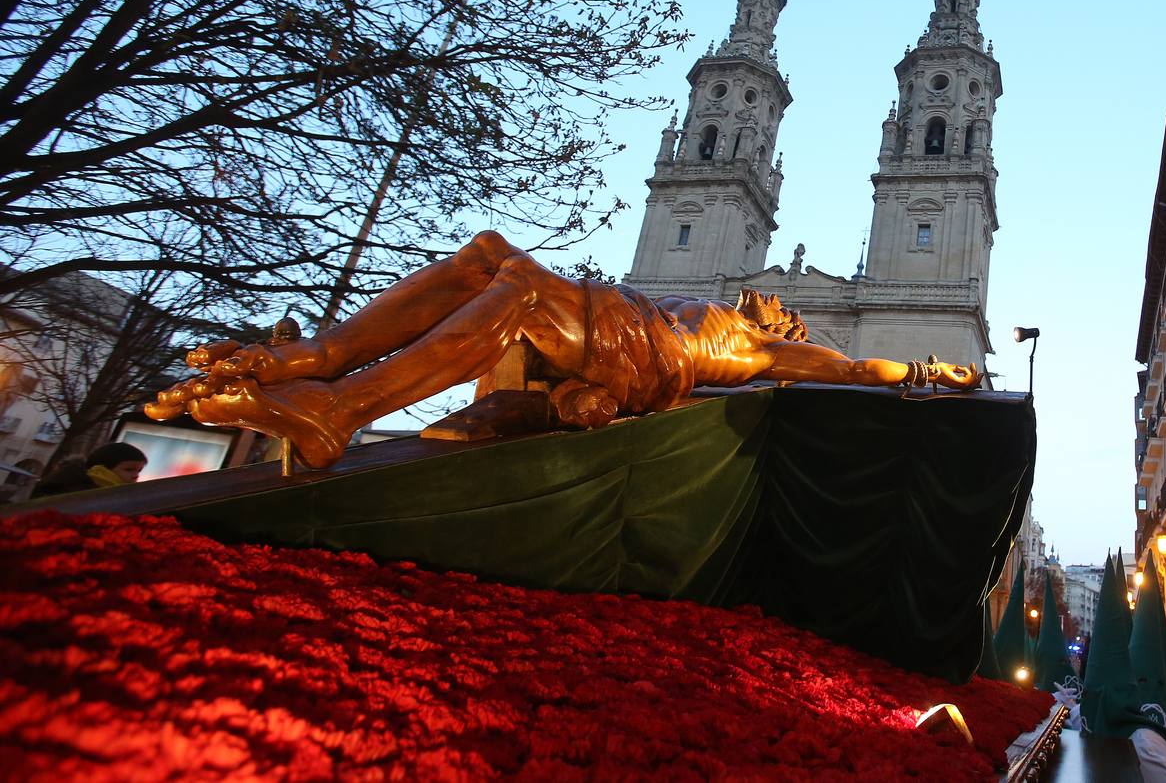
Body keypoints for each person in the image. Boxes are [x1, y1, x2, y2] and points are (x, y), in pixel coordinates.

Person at [146, 231, 982, 469]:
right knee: (487, 256)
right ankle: (311, 362)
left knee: (518, 288)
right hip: (621, 319)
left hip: (643, 356)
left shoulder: (768, 349)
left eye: (782, 313)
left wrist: (924, 369)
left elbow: (858, 369)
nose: (773, 299)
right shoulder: (719, 294)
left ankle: (339, 410)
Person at [36, 442, 148, 496]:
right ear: (102, 469)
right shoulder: (75, 491)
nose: (136, 475)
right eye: (129, 469)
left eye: (139, 470)